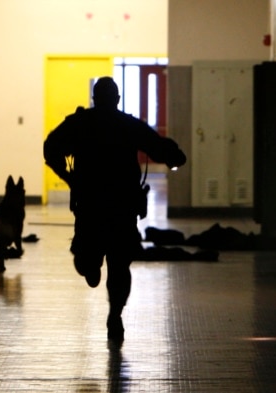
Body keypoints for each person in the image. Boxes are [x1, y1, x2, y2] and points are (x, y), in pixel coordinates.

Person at [43, 76, 186, 342]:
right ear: (117, 99)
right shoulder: (127, 124)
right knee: (120, 267)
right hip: (121, 208)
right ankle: (115, 315)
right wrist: (175, 156)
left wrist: (68, 177)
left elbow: (50, 148)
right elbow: (157, 145)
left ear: (95, 99)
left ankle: (94, 272)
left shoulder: (79, 124)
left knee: (88, 258)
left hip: (90, 207)